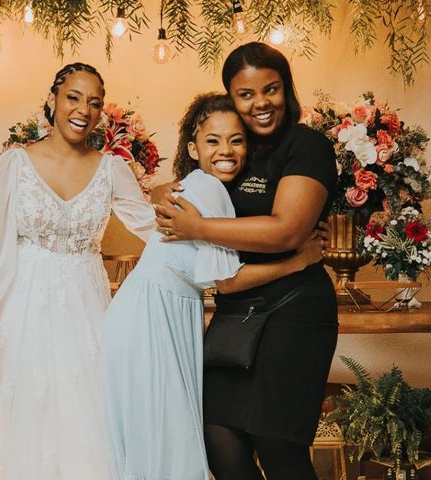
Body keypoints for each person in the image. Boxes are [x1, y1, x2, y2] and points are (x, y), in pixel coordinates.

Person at [103, 93, 324, 480]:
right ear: (193, 147)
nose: (226, 150)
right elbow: (227, 281)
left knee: (156, 439)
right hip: (151, 319)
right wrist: (299, 259)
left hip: (150, 310)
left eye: (236, 140)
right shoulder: (209, 189)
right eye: (213, 141)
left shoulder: (201, 185)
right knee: (164, 438)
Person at [154, 42, 338, 480]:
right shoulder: (234, 146)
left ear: (287, 88)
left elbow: (287, 230)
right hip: (235, 311)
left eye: (270, 89)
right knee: (220, 442)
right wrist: (162, 194)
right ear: (231, 98)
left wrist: (197, 228)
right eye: (246, 94)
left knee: (278, 448)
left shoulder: (306, 145)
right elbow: (183, 191)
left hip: (294, 312)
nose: (261, 103)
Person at [0, 62, 155, 480]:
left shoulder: (112, 170)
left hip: (87, 309)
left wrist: (213, 224)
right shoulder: (14, 164)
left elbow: (156, 230)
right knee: (27, 418)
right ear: (53, 99)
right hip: (21, 308)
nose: (83, 109)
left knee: (90, 415)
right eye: (73, 97)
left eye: (95, 103)